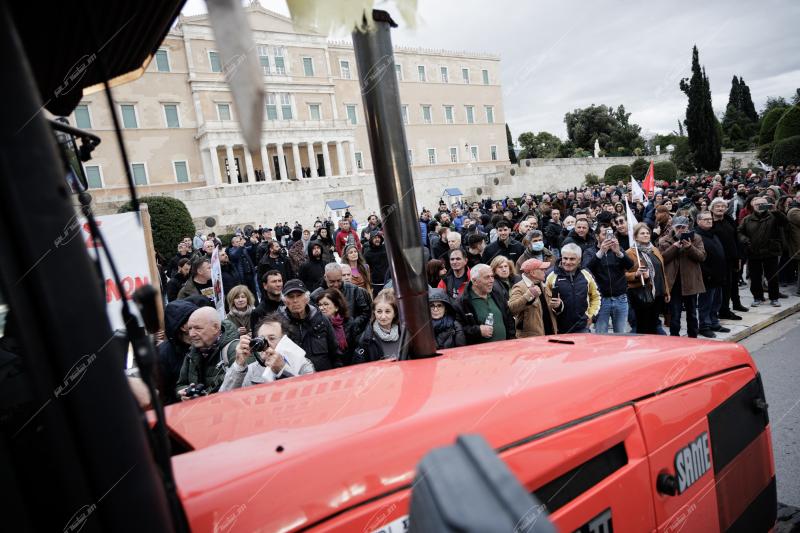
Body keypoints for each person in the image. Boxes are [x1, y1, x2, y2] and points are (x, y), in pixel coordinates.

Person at [220, 313, 315, 391]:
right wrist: (238, 365)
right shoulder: (250, 371)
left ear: (284, 341)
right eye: (261, 339)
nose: (265, 344)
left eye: (272, 338)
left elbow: (310, 394)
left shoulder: (302, 364)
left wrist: (283, 370)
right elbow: (224, 401)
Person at [658, 216, 706, 337]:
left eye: (684, 227)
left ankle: (693, 337)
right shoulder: (664, 240)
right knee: (675, 315)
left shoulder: (696, 238)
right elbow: (662, 259)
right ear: (673, 227)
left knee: (692, 314)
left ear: (688, 227)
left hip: (690, 282)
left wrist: (690, 247)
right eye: (678, 227)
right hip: (674, 283)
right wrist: (674, 247)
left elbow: (702, 257)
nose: (681, 230)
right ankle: (675, 338)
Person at [175, 307, 240, 398]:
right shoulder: (192, 353)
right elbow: (181, 385)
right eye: (190, 328)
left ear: (216, 328)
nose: (192, 334)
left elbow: (246, 388)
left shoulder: (236, 350)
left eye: (198, 328)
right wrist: (185, 393)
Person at [738, 195, 788, 307]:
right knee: (755, 277)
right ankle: (757, 297)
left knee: (772, 276)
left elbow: (785, 223)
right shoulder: (747, 219)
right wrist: (745, 240)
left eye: (762, 204)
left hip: (771, 251)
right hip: (753, 251)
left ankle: (774, 298)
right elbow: (739, 232)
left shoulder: (774, 216)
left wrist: (776, 211)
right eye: (757, 204)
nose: (760, 206)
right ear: (753, 206)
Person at [278, 279, 339, 371]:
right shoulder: (279, 324)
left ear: (306, 298)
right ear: (285, 301)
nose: (295, 300)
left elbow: (335, 351)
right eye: (291, 297)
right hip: (296, 379)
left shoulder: (321, 319)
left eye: (299, 296)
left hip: (324, 376)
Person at [586, 223, 634, 334]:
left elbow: (630, 265)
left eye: (611, 234)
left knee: (620, 334)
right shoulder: (590, 252)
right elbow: (587, 269)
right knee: (601, 335)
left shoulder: (617, 249)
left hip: (620, 298)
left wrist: (619, 252)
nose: (608, 237)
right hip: (601, 300)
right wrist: (601, 252)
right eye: (604, 234)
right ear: (597, 236)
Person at [544, 243, 601, 333]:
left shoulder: (587, 274)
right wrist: (557, 306)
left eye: (572, 259)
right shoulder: (550, 275)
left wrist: (591, 315)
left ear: (579, 260)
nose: (568, 262)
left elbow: (596, 297)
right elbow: (544, 302)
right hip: (558, 329)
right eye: (565, 258)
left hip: (582, 327)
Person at [625, 224, 669, 334]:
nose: (646, 235)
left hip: (657, 293)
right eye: (642, 233)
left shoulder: (655, 250)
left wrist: (667, 291)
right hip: (641, 294)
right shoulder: (630, 253)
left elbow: (662, 272)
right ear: (635, 237)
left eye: (647, 233)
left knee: (654, 324)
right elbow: (623, 275)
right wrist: (636, 274)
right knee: (643, 326)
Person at [456, 264, 516, 344]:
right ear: (474, 281)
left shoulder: (497, 294)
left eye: (492, 276)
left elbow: (509, 319)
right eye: (487, 277)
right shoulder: (462, 302)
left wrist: (512, 339)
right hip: (480, 353)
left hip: (505, 349)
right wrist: (478, 330)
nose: (491, 280)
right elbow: (459, 330)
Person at [310, 263, 372, 340]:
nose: (336, 285)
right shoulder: (315, 296)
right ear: (325, 277)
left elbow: (365, 312)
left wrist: (354, 324)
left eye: (339, 280)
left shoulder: (353, 290)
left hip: (353, 338)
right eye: (332, 281)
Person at [157, 299, 201, 404]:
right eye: (192, 318)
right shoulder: (163, 354)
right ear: (183, 327)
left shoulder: (205, 342)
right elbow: (162, 394)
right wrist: (179, 395)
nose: (198, 320)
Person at [710, 197, 747, 319]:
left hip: (731, 258)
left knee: (731, 284)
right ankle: (721, 310)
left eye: (723, 206)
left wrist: (739, 257)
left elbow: (735, 238)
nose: (720, 208)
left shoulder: (729, 219)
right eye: (717, 206)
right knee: (721, 287)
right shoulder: (709, 222)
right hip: (717, 261)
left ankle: (730, 307)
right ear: (712, 208)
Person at [695, 211, 730, 338]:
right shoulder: (697, 235)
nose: (709, 221)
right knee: (706, 303)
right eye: (705, 219)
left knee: (717, 301)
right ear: (698, 221)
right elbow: (700, 257)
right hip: (707, 276)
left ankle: (714, 322)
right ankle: (704, 326)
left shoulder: (712, 234)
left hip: (718, 274)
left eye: (710, 219)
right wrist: (707, 273)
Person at [354, 289, 407, 363]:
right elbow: (360, 368)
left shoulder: (404, 334)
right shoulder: (366, 339)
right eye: (379, 311)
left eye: (387, 311)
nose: (383, 316)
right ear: (374, 313)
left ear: (395, 313)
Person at [509, 258, 557, 337]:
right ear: (533, 273)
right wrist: (528, 295)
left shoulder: (543, 285)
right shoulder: (519, 287)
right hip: (531, 340)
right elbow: (512, 308)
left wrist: (559, 306)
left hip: (550, 335)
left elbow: (549, 309)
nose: (545, 271)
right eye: (542, 269)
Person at [316, 288, 358, 365]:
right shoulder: (318, 325)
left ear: (336, 307)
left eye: (326, 304)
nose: (321, 308)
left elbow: (355, 347)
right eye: (319, 305)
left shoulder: (349, 322)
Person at [363, 231, 389, 296]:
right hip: (376, 283)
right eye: (375, 238)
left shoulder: (387, 248)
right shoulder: (367, 254)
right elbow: (366, 269)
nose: (377, 239)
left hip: (389, 280)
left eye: (378, 237)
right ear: (371, 240)